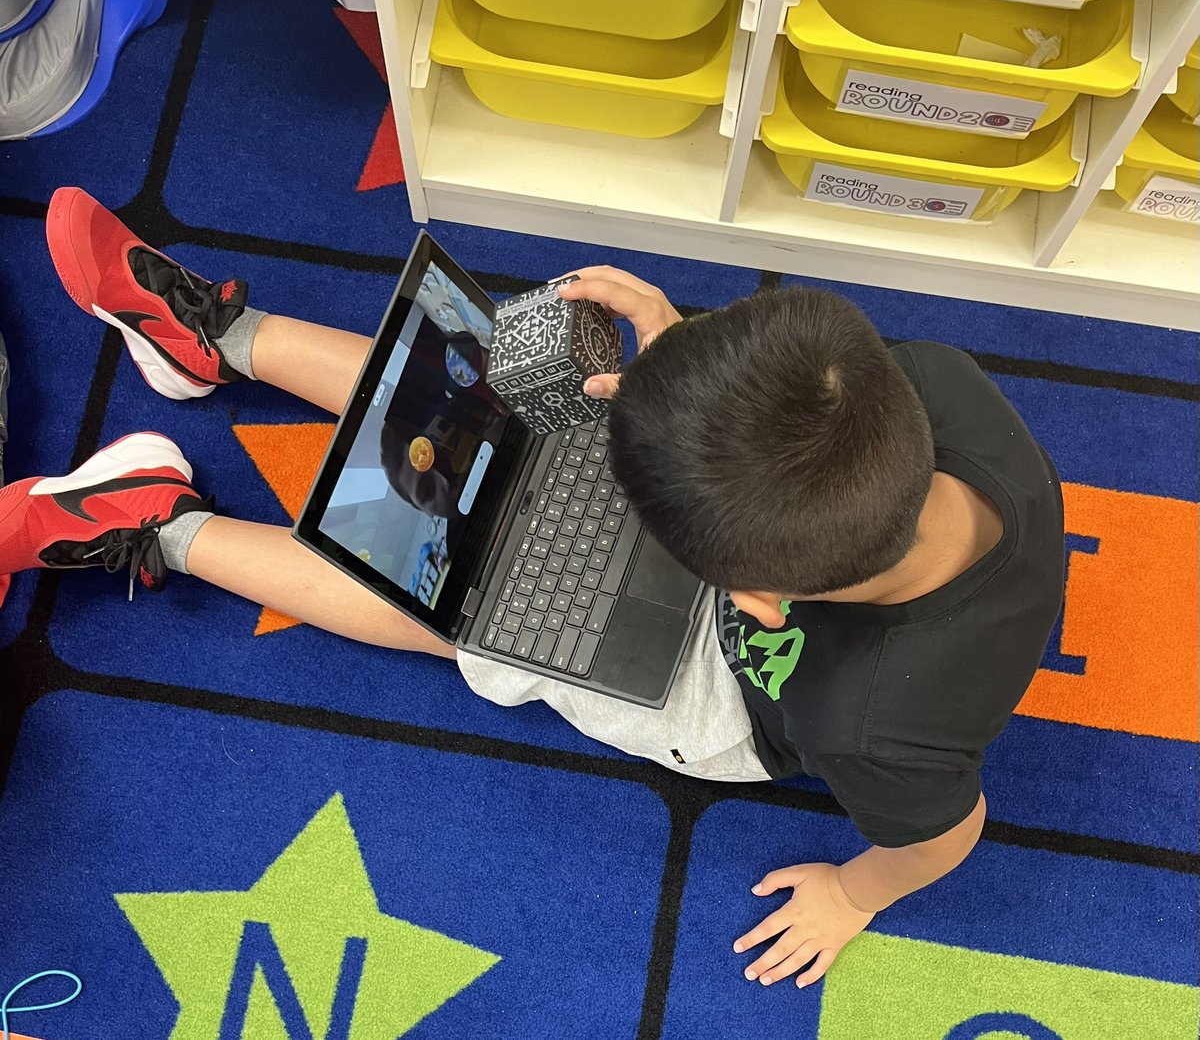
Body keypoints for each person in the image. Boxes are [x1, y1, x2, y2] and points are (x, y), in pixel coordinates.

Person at [0, 187, 1065, 989]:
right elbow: (777, 406)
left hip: (730, 695)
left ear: (760, 598)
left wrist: (853, 891)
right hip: (777, 535)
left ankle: (166, 527)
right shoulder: (916, 383)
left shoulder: (873, 722)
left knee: (468, 602)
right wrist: (679, 353)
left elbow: (945, 830)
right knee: (503, 405)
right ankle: (219, 340)